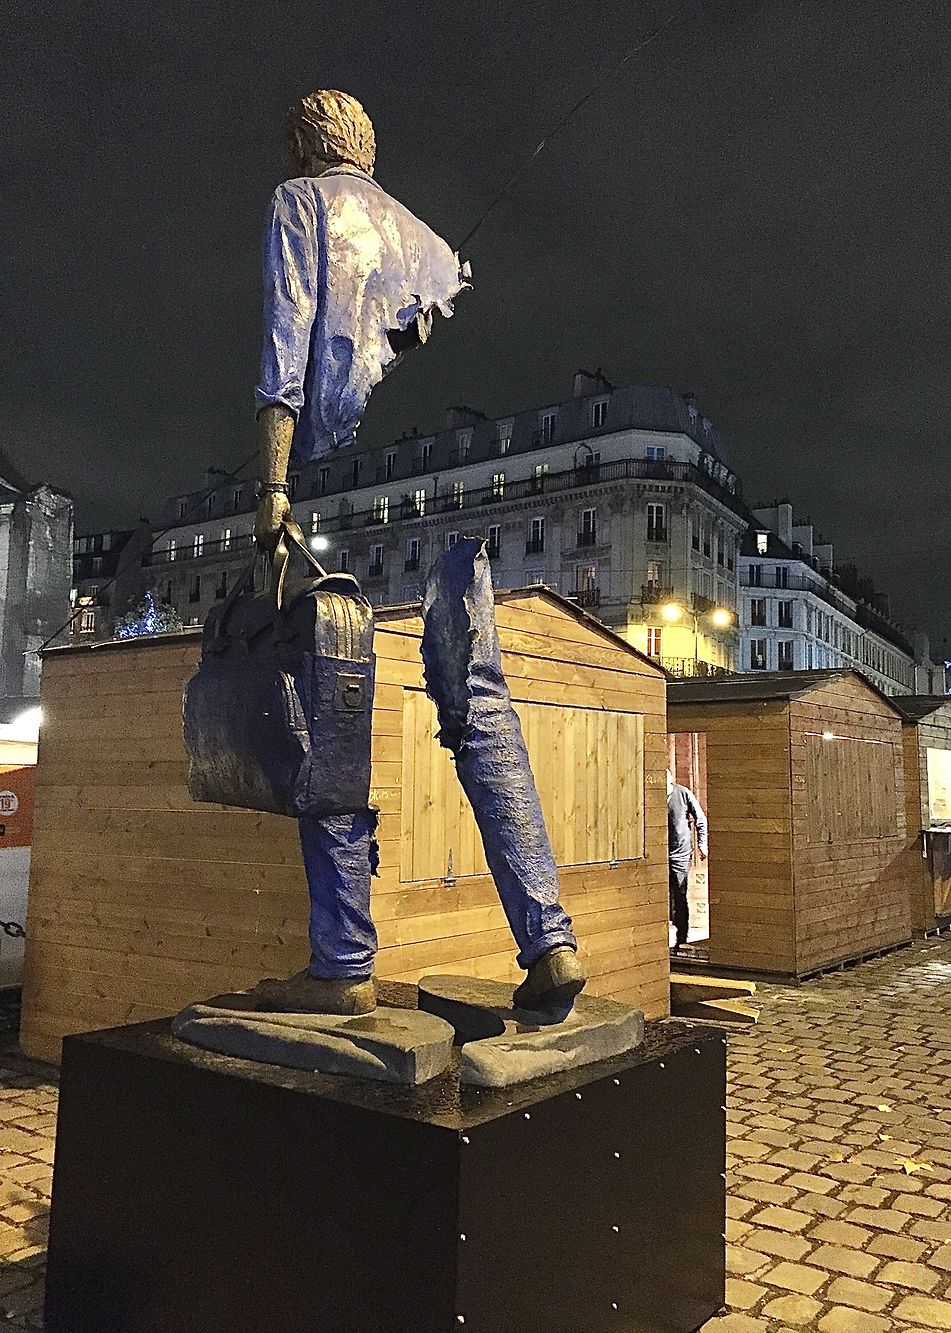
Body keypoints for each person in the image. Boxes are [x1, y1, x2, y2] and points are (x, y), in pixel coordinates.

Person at [251, 91, 584, 1016]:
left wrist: (273, 489)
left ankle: (344, 965)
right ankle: (549, 941)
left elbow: (286, 347)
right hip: (458, 512)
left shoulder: (300, 203)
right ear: (368, 148)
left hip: (350, 490)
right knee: (479, 707)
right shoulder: (428, 241)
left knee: (330, 717)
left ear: (306, 145)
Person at [667, 768, 708, 948]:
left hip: (680, 854)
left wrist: (702, 844)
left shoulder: (682, 793)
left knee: (680, 895)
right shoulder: (654, 797)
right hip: (660, 854)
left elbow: (700, 819)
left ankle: (681, 938)